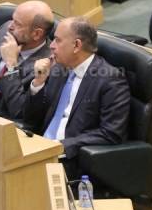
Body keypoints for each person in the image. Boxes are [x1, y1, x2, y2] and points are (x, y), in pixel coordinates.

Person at [24, 17, 130, 175]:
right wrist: (38, 82)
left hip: (70, 159)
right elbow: (31, 118)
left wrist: (61, 145)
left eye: (57, 40)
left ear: (77, 45)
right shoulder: (59, 69)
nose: (51, 46)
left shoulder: (110, 80)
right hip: (41, 148)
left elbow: (111, 133)